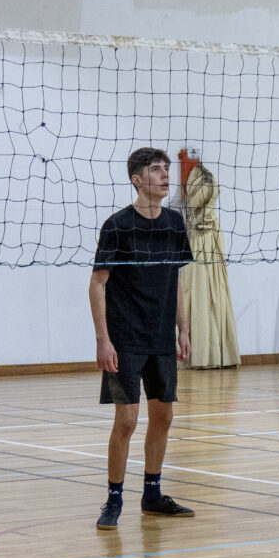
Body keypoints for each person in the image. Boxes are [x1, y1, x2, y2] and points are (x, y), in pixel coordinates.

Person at [90, 147, 196, 530]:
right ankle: (113, 499)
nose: (165, 175)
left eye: (166, 169)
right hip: (125, 339)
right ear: (137, 179)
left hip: (161, 337)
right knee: (127, 421)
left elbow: (177, 278)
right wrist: (103, 340)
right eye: (156, 169)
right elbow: (97, 283)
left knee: (163, 416)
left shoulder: (174, 223)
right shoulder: (118, 225)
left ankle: (152, 496)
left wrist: (183, 328)